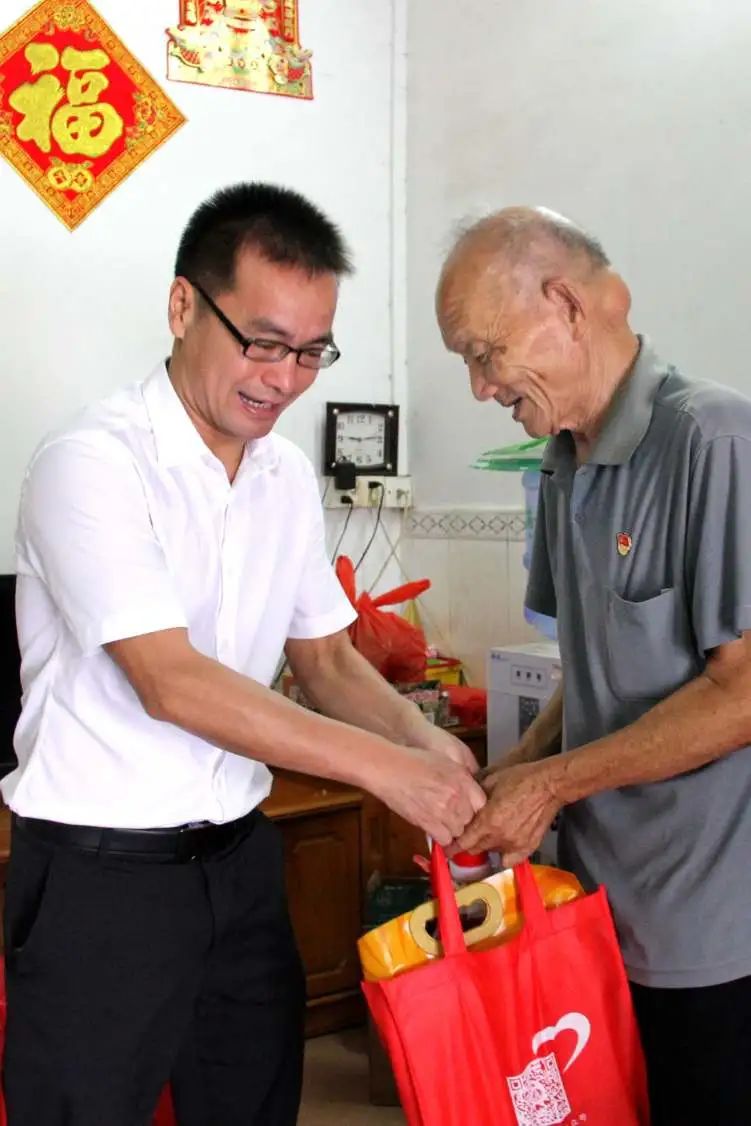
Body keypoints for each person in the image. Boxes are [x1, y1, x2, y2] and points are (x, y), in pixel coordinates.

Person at [3, 182, 485, 1126]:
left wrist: (425, 745)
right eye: (262, 342)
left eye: (310, 351)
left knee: (252, 1101)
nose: (285, 378)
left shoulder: (283, 474)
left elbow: (328, 660)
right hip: (102, 878)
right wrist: (388, 771)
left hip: (239, 861)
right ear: (183, 305)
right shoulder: (91, 462)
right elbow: (170, 681)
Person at [436, 206, 751, 1126]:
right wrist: (510, 774)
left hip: (706, 930)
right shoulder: (562, 462)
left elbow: (740, 694)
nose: (479, 386)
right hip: (591, 909)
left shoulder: (713, 440)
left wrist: (548, 786)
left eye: (484, 353)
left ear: (566, 306)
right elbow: (591, 668)